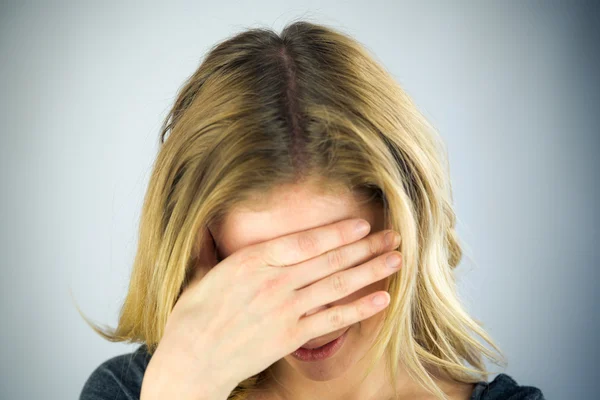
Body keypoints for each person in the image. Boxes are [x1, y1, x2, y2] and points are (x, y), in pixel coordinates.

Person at [78, 20, 545, 400]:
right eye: (268, 271)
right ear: (205, 253)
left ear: (407, 223)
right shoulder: (133, 391)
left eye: (338, 263)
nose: (312, 315)